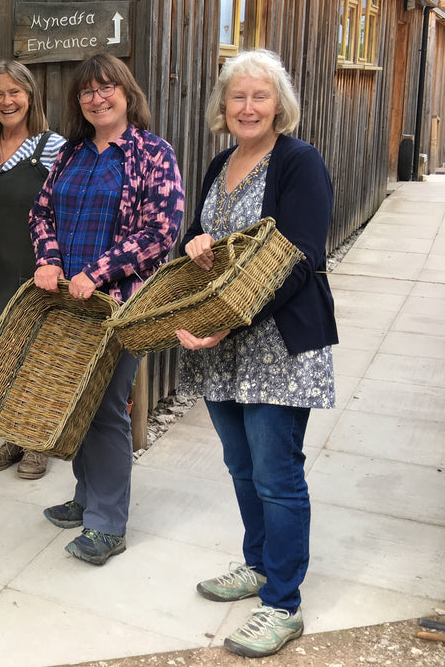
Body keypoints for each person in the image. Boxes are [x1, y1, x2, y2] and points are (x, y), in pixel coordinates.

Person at [174, 49, 336, 658]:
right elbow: (200, 234)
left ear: (279, 105)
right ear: (223, 105)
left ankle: (283, 603)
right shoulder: (222, 162)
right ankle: (259, 564)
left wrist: (232, 322)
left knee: (277, 476)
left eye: (259, 97)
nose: (247, 107)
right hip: (223, 345)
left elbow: (298, 261)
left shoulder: (298, 162)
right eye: (237, 97)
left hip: (277, 344)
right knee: (242, 466)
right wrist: (194, 246)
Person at [30, 53, 184, 565]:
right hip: (66, 307)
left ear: (126, 91)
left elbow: (161, 232)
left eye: (106, 88)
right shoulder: (71, 153)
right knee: (78, 401)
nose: (97, 98)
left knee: (107, 410)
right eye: (86, 92)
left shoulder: (152, 153)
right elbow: (42, 211)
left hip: (117, 307)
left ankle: (108, 524)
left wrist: (97, 272)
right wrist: (49, 261)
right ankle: (85, 498)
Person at [0, 60, 65, 480]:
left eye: (15, 92)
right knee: (1, 356)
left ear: (30, 97)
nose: (7, 101)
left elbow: (68, 210)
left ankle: (38, 442)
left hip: (37, 270)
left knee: (37, 358)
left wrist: (57, 262)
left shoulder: (53, 147)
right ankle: (11, 436)